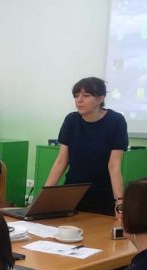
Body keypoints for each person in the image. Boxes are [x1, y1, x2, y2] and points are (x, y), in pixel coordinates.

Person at [45, 77, 128, 217]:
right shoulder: (71, 120)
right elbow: (61, 161)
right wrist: (45, 195)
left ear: (100, 98)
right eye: (76, 96)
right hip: (72, 192)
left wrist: (119, 201)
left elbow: (114, 166)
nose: (79, 100)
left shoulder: (116, 121)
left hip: (103, 195)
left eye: (86, 95)